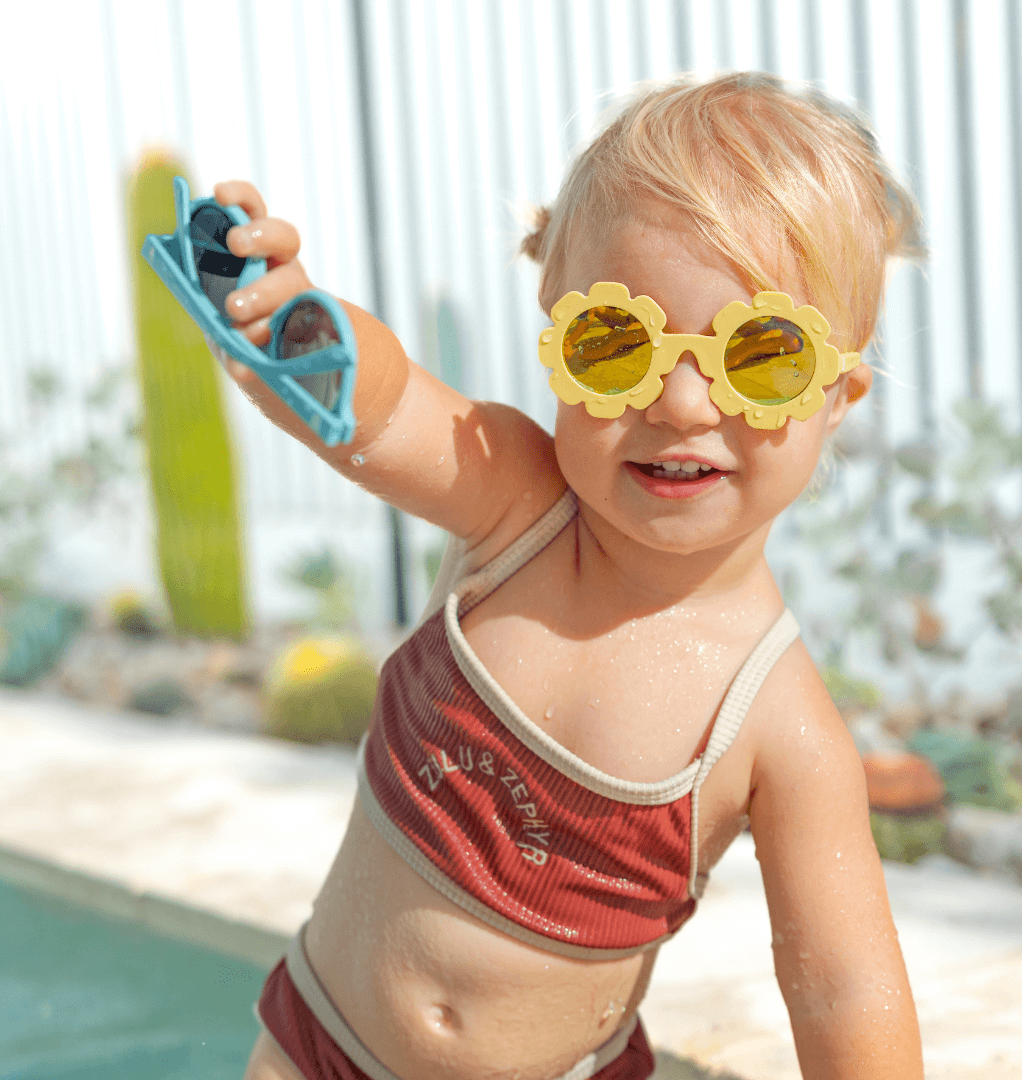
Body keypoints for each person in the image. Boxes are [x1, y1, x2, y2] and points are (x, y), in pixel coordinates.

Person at [213, 72, 924, 1080]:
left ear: (839, 396)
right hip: (316, 1048)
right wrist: (295, 329)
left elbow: (843, 985)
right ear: (554, 338)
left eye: (760, 357)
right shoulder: (516, 505)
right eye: (616, 343)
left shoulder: (779, 727)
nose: (681, 403)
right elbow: (382, 409)